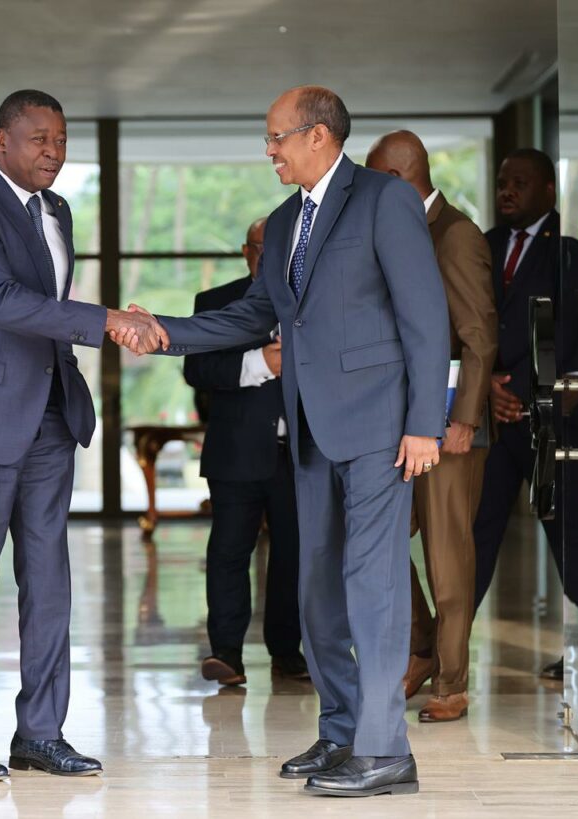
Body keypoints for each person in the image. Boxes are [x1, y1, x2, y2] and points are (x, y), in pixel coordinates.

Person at [120, 85, 450, 798]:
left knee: (373, 586)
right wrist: (164, 330)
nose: (268, 150)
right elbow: (251, 316)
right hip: (309, 430)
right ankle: (342, 731)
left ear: (318, 136)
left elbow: (426, 314)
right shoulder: (283, 221)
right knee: (314, 589)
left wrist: (426, 421)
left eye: (276, 137)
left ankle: (384, 749)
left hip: (379, 429)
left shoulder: (384, 201)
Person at [0, 89, 165, 782]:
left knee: (49, 579)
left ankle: (40, 733)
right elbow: (1, 301)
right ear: (2, 141)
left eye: (60, 139)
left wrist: (106, 325)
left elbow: (46, 307)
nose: (53, 151)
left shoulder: (57, 209)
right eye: (39, 138)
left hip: (49, 415)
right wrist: (108, 320)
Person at [366, 131, 497, 723]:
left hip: (449, 425)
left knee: (448, 557)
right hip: (395, 422)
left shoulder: (456, 233)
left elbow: (478, 335)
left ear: (396, 178)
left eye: (372, 179)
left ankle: (452, 682)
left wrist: (464, 419)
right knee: (384, 541)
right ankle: (422, 648)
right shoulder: (396, 231)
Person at [471, 148, 578, 678]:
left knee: (568, 533)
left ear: (549, 191)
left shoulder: (572, 254)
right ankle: (447, 652)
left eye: (520, 183)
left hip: (551, 423)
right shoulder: (483, 246)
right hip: (493, 419)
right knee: (476, 534)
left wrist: (553, 396)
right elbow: (465, 322)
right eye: (502, 182)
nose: (507, 191)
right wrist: (485, 387)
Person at [183, 217, 308, 687]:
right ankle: (227, 654)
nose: (270, 256)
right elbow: (197, 371)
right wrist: (259, 363)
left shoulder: (309, 298)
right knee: (229, 552)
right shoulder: (215, 302)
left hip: (299, 452)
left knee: (294, 556)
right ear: (246, 252)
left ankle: (287, 652)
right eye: (261, 247)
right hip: (236, 451)